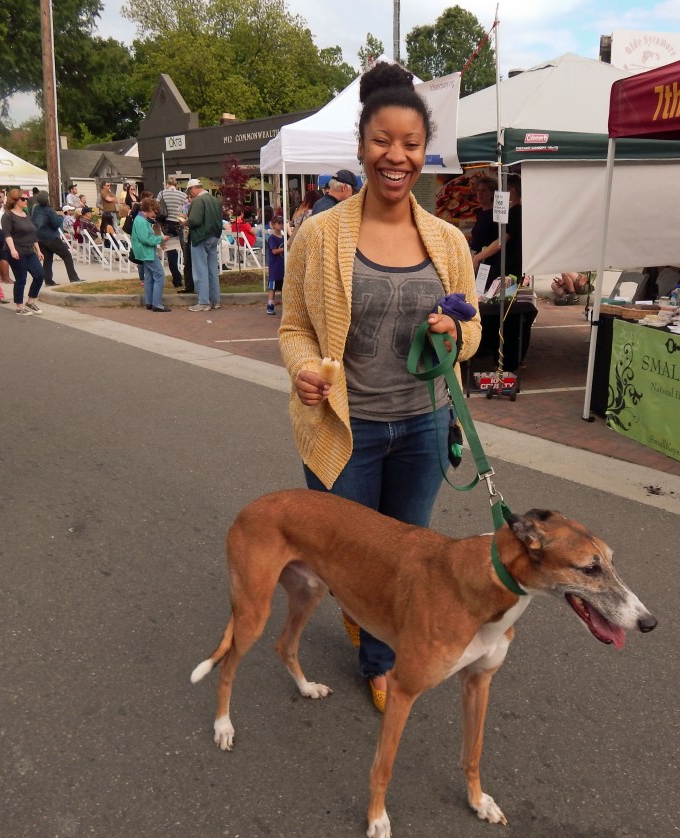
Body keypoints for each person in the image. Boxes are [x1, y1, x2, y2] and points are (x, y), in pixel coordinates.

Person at [278, 61, 481, 714]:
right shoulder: (320, 234)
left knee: (408, 562)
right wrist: (306, 369)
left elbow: (471, 333)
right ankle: (358, 614)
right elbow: (293, 327)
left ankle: (379, 659)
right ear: (362, 145)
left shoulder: (448, 241)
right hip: (346, 429)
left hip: (422, 429)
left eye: (412, 144)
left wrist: (456, 334)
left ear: (426, 151)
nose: (398, 156)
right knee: (346, 558)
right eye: (383, 141)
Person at [471, 173, 522, 289]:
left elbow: (500, 242)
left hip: (503, 266)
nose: (501, 195)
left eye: (483, 191)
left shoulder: (514, 213)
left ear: (512, 192)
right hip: (495, 264)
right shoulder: (513, 212)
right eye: (478, 190)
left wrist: (477, 257)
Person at [1, 189, 45, 315]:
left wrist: (38, 249)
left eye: (27, 199)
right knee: (21, 278)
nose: (26, 201)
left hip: (29, 250)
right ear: (15, 200)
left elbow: (32, 233)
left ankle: (31, 301)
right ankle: (19, 306)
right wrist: (12, 249)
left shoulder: (26, 214)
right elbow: (7, 234)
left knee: (40, 275)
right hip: (16, 251)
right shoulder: (8, 215)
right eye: (23, 199)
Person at [185, 178, 224, 312]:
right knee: (212, 270)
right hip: (214, 236)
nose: (190, 195)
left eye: (190, 191)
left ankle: (203, 302)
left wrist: (185, 222)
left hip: (200, 237)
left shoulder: (198, 200)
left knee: (200, 270)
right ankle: (215, 300)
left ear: (194, 188)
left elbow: (194, 220)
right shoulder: (214, 199)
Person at [31, 191, 81, 285]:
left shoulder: (35, 209)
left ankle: (48, 280)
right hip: (51, 238)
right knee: (67, 255)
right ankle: (73, 277)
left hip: (40, 238)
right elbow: (55, 224)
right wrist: (60, 217)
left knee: (48, 259)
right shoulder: (48, 210)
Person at [132, 196, 171, 312]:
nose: (155, 214)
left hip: (143, 251)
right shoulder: (142, 221)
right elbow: (146, 239)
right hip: (146, 252)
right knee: (159, 276)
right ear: (149, 209)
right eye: (154, 211)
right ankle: (157, 304)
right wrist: (161, 238)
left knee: (149, 277)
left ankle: (149, 302)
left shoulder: (140, 219)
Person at [156, 176, 187, 289]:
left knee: (171, 252)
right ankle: (188, 278)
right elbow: (186, 209)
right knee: (185, 251)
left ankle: (177, 279)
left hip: (167, 224)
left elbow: (156, 206)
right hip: (179, 223)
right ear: (176, 184)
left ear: (167, 184)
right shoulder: (183, 195)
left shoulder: (162, 193)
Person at [265, 214, 285, 315]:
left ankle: (285, 306)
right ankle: (270, 305)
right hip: (274, 267)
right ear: (273, 225)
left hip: (282, 267)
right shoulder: (272, 238)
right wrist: (283, 249)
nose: (281, 225)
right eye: (279, 223)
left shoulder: (284, 237)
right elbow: (274, 251)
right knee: (272, 288)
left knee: (283, 287)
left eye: (282, 223)